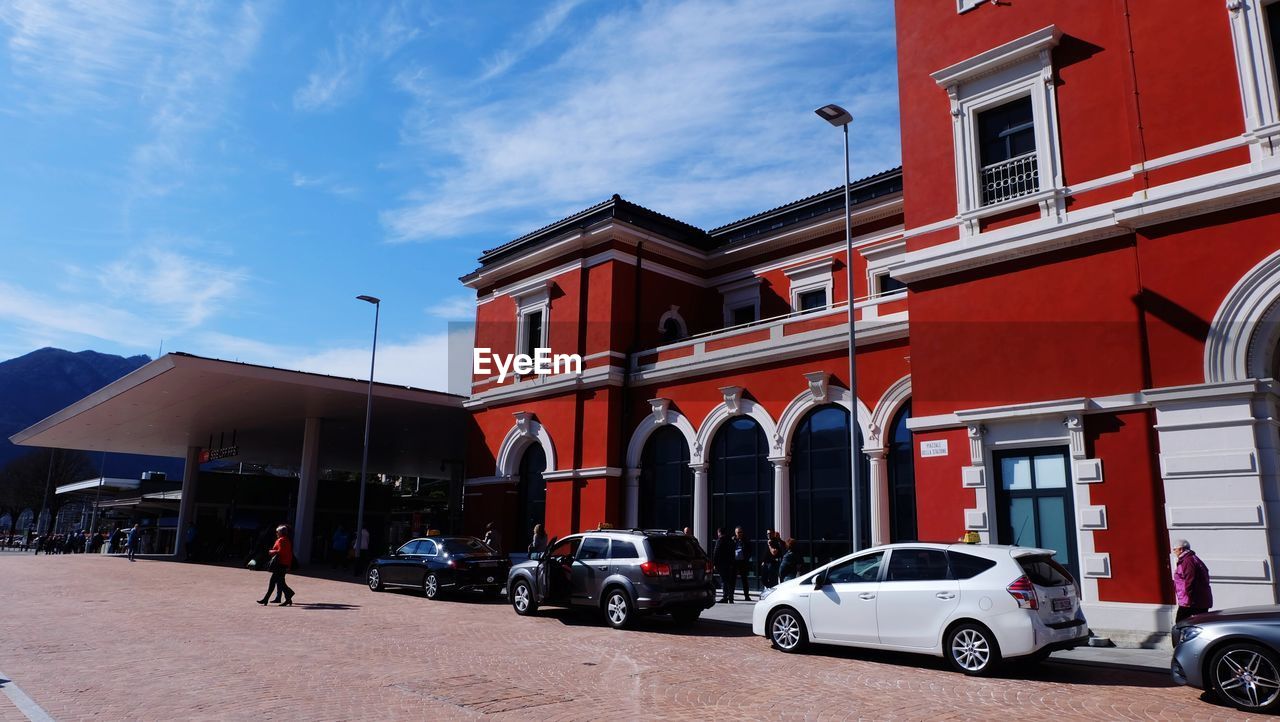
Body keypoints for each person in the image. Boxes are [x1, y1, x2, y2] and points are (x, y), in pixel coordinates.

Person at [1173, 538, 1212, 623]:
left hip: (1191, 601)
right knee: (1197, 624)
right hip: (1195, 600)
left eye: (1174, 549)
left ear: (1181, 549)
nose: (1174, 552)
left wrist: (1190, 600)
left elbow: (1190, 580)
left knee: (1180, 624)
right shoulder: (1192, 558)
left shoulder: (1188, 561)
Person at [258, 525, 295, 607]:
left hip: (280, 564)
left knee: (275, 582)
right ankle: (287, 597)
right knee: (280, 582)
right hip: (283, 564)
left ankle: (288, 594)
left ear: (281, 532)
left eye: (277, 532)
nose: (276, 533)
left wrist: (272, 551)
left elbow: (281, 551)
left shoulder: (282, 540)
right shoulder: (286, 540)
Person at [713, 528, 736, 603]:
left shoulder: (720, 541)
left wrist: (715, 564)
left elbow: (716, 553)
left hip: (722, 564)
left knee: (724, 581)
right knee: (730, 581)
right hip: (731, 564)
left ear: (719, 533)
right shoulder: (731, 541)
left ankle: (725, 597)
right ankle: (731, 597)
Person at [733, 527, 753, 601]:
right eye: (738, 532)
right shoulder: (733, 541)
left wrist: (747, 558)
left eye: (741, 532)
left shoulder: (746, 541)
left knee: (744, 580)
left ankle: (747, 596)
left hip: (743, 562)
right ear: (735, 533)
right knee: (733, 580)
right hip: (735, 563)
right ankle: (731, 596)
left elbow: (750, 550)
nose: (740, 534)